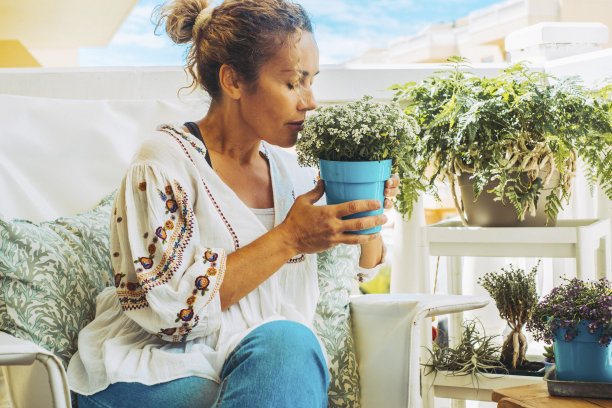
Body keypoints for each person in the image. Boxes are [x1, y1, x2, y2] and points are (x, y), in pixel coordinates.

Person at [67, 0, 399, 407]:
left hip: (256, 366)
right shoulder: (164, 165)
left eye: (312, 81)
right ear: (233, 81)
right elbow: (170, 312)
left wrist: (368, 216)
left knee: (286, 355)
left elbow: (363, 270)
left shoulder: (292, 173)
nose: (309, 101)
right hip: (152, 372)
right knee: (286, 349)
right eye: (293, 82)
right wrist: (290, 238)